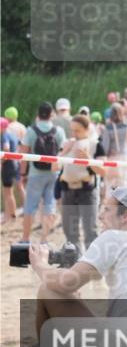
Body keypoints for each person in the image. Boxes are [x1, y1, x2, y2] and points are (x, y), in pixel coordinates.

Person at [28, 186, 127, 340]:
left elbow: (65, 282)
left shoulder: (114, 237)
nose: (100, 216)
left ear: (125, 215)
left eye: (106, 210)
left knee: (48, 290)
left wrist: (39, 263)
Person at [19, 102, 67, 243]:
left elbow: (24, 154)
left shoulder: (31, 130)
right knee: (50, 205)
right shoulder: (59, 131)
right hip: (53, 173)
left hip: (35, 173)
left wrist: (22, 174)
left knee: (30, 206)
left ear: (38, 114)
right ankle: (44, 238)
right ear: (52, 114)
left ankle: (26, 238)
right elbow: (63, 151)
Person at [58, 114, 106, 252]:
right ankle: (75, 262)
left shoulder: (96, 145)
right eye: (72, 130)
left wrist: (88, 159)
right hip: (67, 190)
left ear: (86, 129)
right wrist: (64, 151)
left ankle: (92, 264)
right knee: (69, 231)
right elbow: (54, 167)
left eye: (77, 130)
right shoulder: (67, 143)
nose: (74, 133)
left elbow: (103, 172)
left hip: (87, 191)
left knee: (90, 229)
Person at [100, 102, 127, 196]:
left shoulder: (108, 128)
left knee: (110, 185)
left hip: (112, 158)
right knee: (123, 184)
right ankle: (122, 207)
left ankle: (110, 207)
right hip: (125, 157)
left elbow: (105, 148)